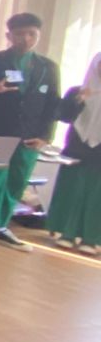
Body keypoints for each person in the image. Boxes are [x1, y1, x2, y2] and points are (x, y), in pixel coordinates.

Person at [0, 12, 61, 251]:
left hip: (30, 135)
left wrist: (46, 136)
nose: (25, 39)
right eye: (20, 34)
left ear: (38, 35)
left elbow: (53, 104)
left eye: (31, 34)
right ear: (9, 35)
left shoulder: (48, 67)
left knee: (17, 180)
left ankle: (0, 224)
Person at [47, 53, 101, 253]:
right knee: (71, 191)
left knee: (96, 196)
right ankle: (66, 233)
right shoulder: (77, 91)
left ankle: (91, 239)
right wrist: (79, 100)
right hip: (77, 148)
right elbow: (62, 116)